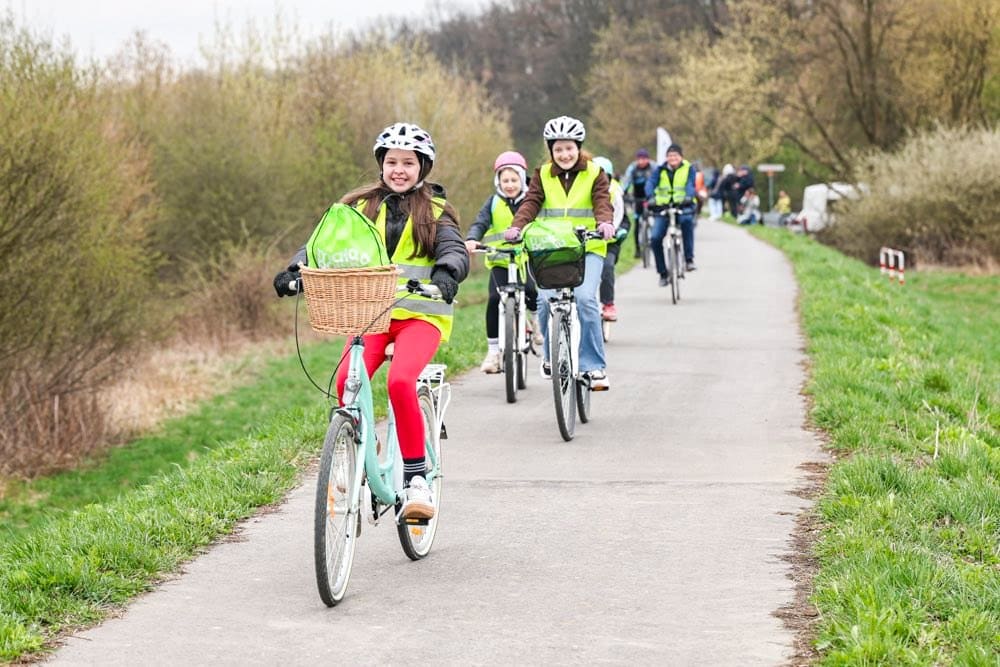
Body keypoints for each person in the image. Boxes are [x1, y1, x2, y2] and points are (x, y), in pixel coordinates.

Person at [273, 122, 469, 520]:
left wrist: (448, 271)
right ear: (381, 165)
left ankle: (416, 480)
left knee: (400, 382)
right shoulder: (358, 207)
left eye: (409, 163)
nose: (399, 169)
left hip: (420, 315)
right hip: (369, 314)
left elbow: (453, 248)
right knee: (346, 380)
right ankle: (356, 453)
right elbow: (321, 245)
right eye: (392, 161)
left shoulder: (436, 211)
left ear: (423, 168)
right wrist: (296, 269)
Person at [502, 115, 614, 390]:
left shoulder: (594, 173)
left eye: (569, 148)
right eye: (558, 149)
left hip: (589, 247)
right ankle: (551, 356)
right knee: (544, 301)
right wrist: (517, 227)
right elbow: (530, 203)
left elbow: (602, 201)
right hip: (553, 248)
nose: (564, 154)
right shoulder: (542, 175)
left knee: (586, 299)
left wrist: (605, 222)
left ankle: (594, 366)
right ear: (551, 150)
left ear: (578, 147)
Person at [465, 151, 542, 373]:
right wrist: (472, 239)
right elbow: (480, 222)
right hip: (499, 260)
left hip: (524, 259)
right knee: (492, 299)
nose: (509, 185)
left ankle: (536, 323)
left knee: (531, 290)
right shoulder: (493, 202)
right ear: (498, 181)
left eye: (514, 180)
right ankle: (493, 352)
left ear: (522, 179)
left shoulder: (531, 201)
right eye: (504, 180)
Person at [646, 143, 697, 284]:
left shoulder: (689, 169)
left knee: (687, 223)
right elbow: (650, 183)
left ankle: (689, 259)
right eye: (669, 156)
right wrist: (651, 197)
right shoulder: (659, 170)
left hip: (683, 205)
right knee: (655, 238)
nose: (672, 158)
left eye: (675, 155)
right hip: (663, 207)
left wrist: (688, 196)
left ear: (681, 157)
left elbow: (690, 185)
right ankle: (663, 273)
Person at [593, 156, 630, 322]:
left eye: (603, 178)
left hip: (610, 242)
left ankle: (608, 303)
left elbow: (622, 218)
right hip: (588, 241)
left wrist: (617, 231)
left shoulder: (616, 193)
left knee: (607, 268)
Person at [620, 148, 654, 258]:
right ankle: (638, 249)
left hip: (651, 198)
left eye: (644, 159)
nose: (642, 161)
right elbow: (626, 181)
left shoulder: (654, 167)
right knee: (637, 223)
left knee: (654, 220)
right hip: (637, 198)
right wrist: (622, 192)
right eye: (640, 159)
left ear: (648, 159)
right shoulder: (633, 168)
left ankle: (653, 241)